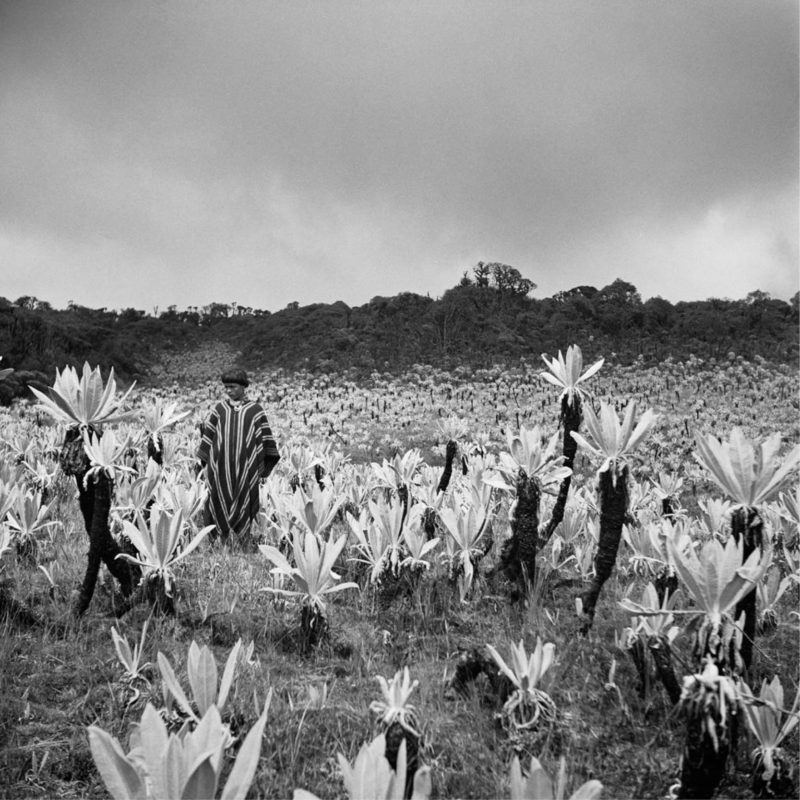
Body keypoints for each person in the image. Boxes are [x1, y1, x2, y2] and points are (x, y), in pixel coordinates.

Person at [197, 368, 280, 545]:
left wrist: (262, 469)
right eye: (226, 387)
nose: (228, 390)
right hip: (220, 469)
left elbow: (265, 440)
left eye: (233, 386)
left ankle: (244, 541)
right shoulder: (219, 409)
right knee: (219, 498)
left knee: (245, 498)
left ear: (243, 387)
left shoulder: (255, 411)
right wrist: (205, 465)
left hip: (246, 468)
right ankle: (222, 539)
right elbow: (208, 438)